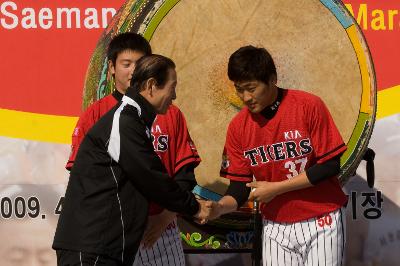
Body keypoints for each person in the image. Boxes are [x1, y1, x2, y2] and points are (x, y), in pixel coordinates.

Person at [53, 54, 212, 266]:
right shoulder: (123, 121)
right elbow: (151, 176)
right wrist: (194, 207)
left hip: (108, 247)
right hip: (92, 247)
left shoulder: (133, 119)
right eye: (172, 87)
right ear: (152, 85)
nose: (174, 95)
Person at [208, 46, 348, 266]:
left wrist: (276, 188)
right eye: (238, 89)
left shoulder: (308, 105)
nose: (245, 97)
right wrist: (220, 207)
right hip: (275, 225)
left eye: (251, 88)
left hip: (321, 218)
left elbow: (330, 165)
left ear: (272, 79)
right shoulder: (238, 127)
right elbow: (239, 186)